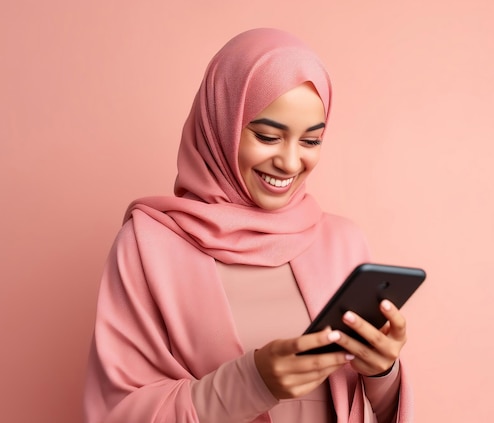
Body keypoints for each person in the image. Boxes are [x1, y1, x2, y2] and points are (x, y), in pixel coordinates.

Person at [84, 28, 414, 423]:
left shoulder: (342, 243)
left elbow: (374, 407)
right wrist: (252, 382)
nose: (290, 164)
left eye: (310, 141)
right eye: (268, 136)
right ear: (220, 123)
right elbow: (116, 413)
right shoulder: (148, 246)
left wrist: (382, 371)